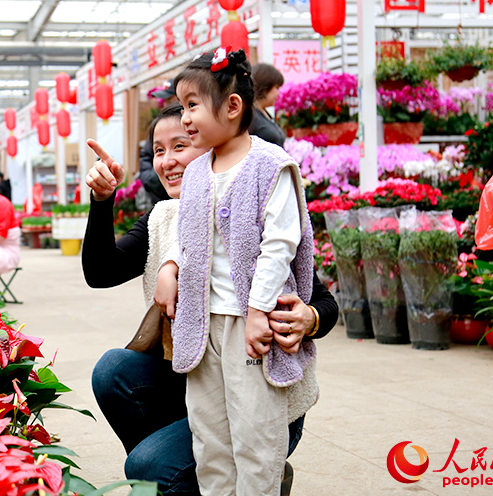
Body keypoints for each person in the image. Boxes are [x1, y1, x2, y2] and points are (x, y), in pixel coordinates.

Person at [82, 103, 337, 496]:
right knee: (114, 370)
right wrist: (101, 202)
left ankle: (196, 472)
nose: (167, 161)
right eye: (159, 150)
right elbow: (100, 273)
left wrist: (309, 318)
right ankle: (184, 476)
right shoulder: (163, 218)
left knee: (148, 465)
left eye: (181, 145)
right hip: (197, 386)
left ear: (213, 145)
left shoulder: (249, 215)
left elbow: (322, 300)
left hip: (263, 399)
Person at [154, 49, 314, 496]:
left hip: (248, 325)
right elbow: (191, 239)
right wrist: (174, 267)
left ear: (232, 107)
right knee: (210, 441)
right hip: (202, 326)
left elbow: (279, 245)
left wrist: (259, 309)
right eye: (181, 105)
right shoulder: (199, 171)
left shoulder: (269, 165)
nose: (184, 118)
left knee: (256, 437)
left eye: (191, 105)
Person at [249, 63, 286, 147]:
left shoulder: (264, 113)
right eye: (276, 88)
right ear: (265, 87)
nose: (278, 93)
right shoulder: (251, 116)